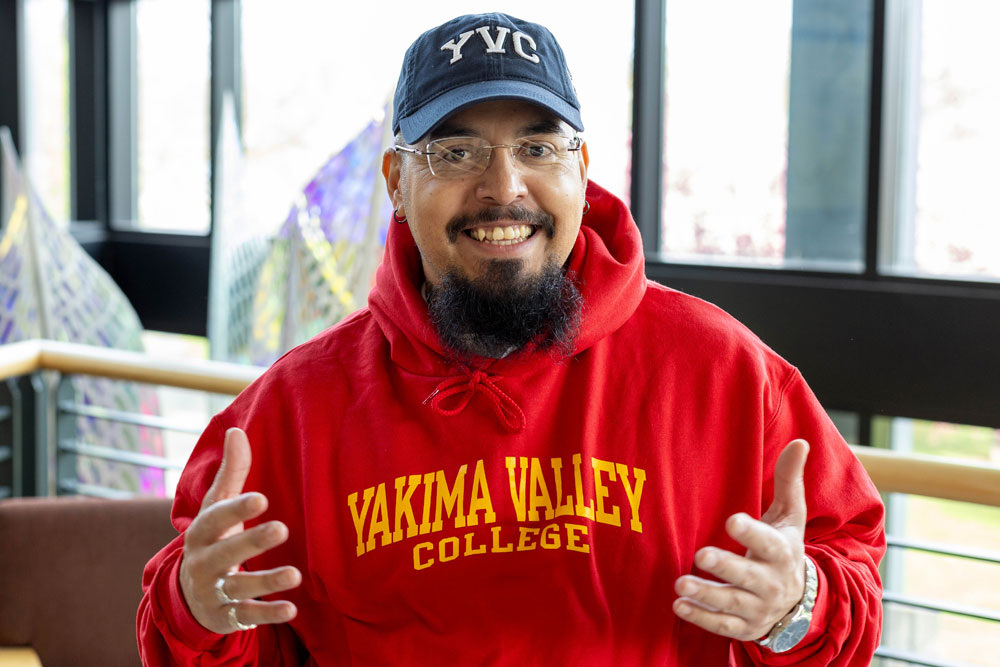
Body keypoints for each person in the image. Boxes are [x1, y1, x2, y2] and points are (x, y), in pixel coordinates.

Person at [138, 12, 885, 666]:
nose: (504, 187)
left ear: (582, 168)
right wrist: (195, 609)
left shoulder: (724, 370)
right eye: (457, 152)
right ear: (397, 180)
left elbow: (847, 587)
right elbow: (205, 637)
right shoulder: (291, 411)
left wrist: (796, 604)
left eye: (537, 148)